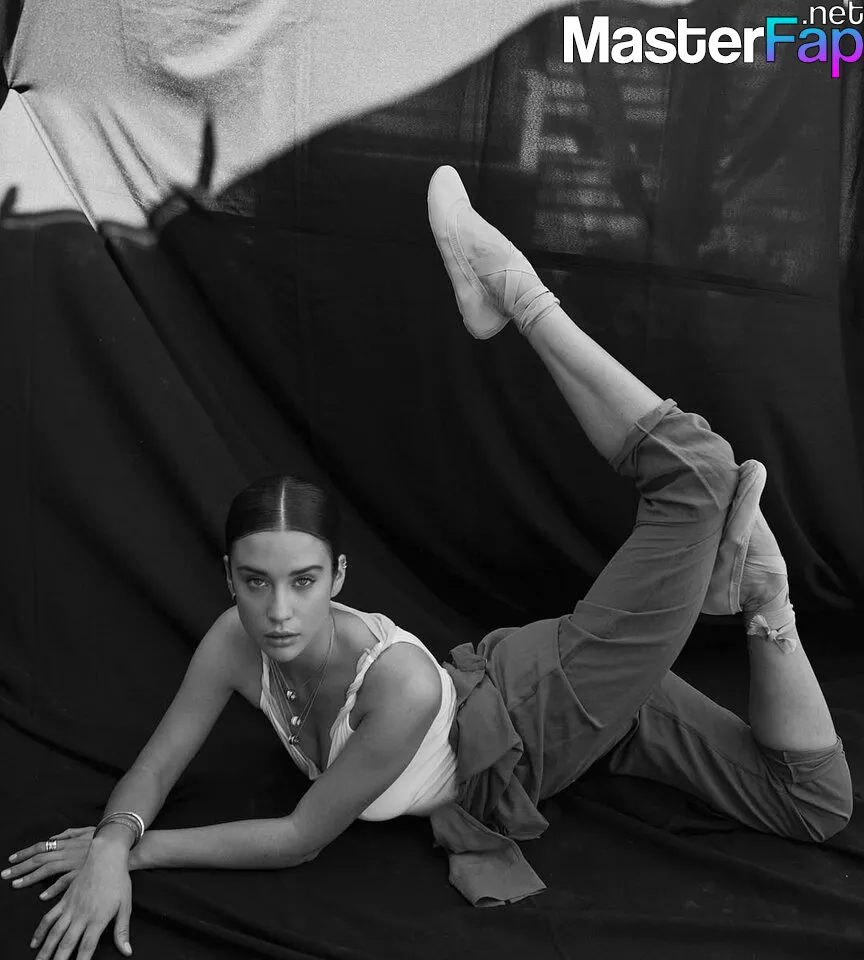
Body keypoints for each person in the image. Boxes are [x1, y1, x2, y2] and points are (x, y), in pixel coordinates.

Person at [4, 166, 853, 957]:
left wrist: (134, 858)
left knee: (698, 473)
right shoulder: (232, 640)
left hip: (544, 708)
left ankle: (515, 290)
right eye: (255, 582)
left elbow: (300, 838)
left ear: (338, 579)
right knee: (814, 805)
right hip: (586, 716)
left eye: (303, 581)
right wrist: (112, 837)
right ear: (229, 580)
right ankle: (762, 597)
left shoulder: (399, 684)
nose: (278, 611)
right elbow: (156, 765)